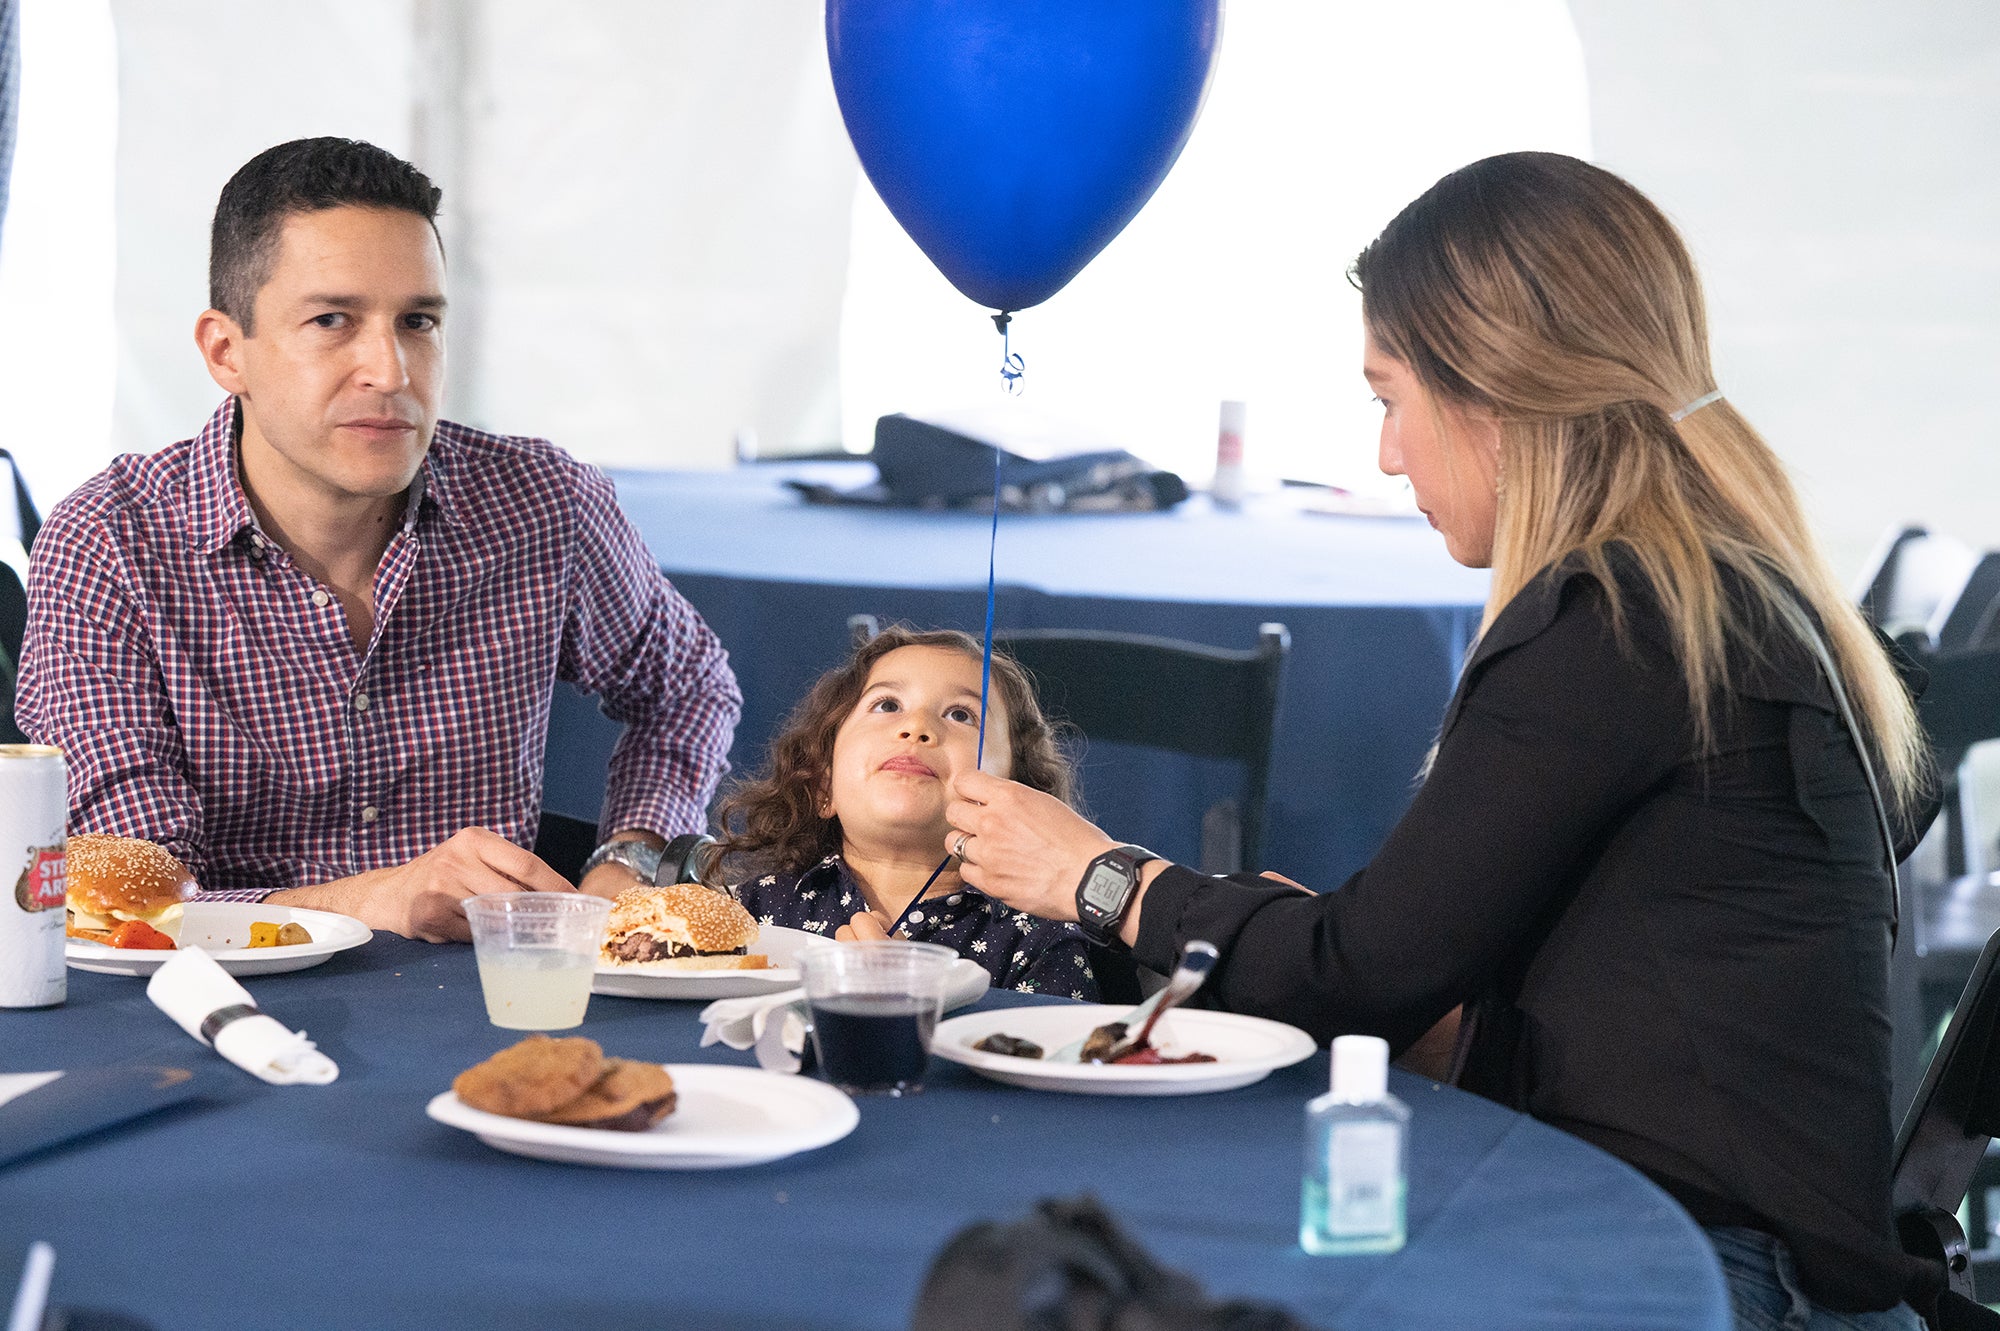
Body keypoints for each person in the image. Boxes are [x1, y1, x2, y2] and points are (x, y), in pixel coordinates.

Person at [933, 152, 1940, 1328]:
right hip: (1775, 1249)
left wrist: (1091, 874)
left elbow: (1353, 973)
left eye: (1388, 397)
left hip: (1701, 1268)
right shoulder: (1739, 598)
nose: (1385, 453)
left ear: (1496, 392)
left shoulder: (1612, 621)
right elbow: (1686, 953)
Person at [16, 137, 742, 943]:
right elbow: (137, 899)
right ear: (226, 352)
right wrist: (376, 901)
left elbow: (688, 686)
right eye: (333, 320)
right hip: (212, 1012)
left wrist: (631, 856)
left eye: (418, 321)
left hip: (491, 997)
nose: (391, 371)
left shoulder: (543, 504)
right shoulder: (110, 543)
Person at [715, 625, 1096, 999]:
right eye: (888, 705)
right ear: (822, 787)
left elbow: (1050, 1055)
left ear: (1020, 802)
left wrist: (906, 1010)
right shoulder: (750, 911)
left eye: (961, 715)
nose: (917, 727)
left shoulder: (1041, 944)